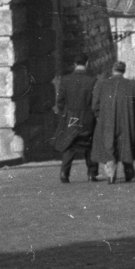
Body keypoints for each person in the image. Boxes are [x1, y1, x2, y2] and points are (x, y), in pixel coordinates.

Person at [92, 61, 135, 183]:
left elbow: (95, 105)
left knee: (108, 144)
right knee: (126, 144)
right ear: (124, 70)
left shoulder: (102, 84)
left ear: (113, 70)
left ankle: (111, 172)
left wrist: (99, 116)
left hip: (107, 120)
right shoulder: (131, 84)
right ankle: (128, 169)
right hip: (126, 119)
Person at [53, 53, 98, 183]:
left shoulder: (66, 80)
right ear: (87, 63)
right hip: (87, 116)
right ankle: (91, 173)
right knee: (90, 145)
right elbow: (96, 101)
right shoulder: (92, 80)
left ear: (74, 64)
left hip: (71, 117)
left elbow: (60, 101)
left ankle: (64, 173)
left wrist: (65, 114)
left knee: (70, 144)